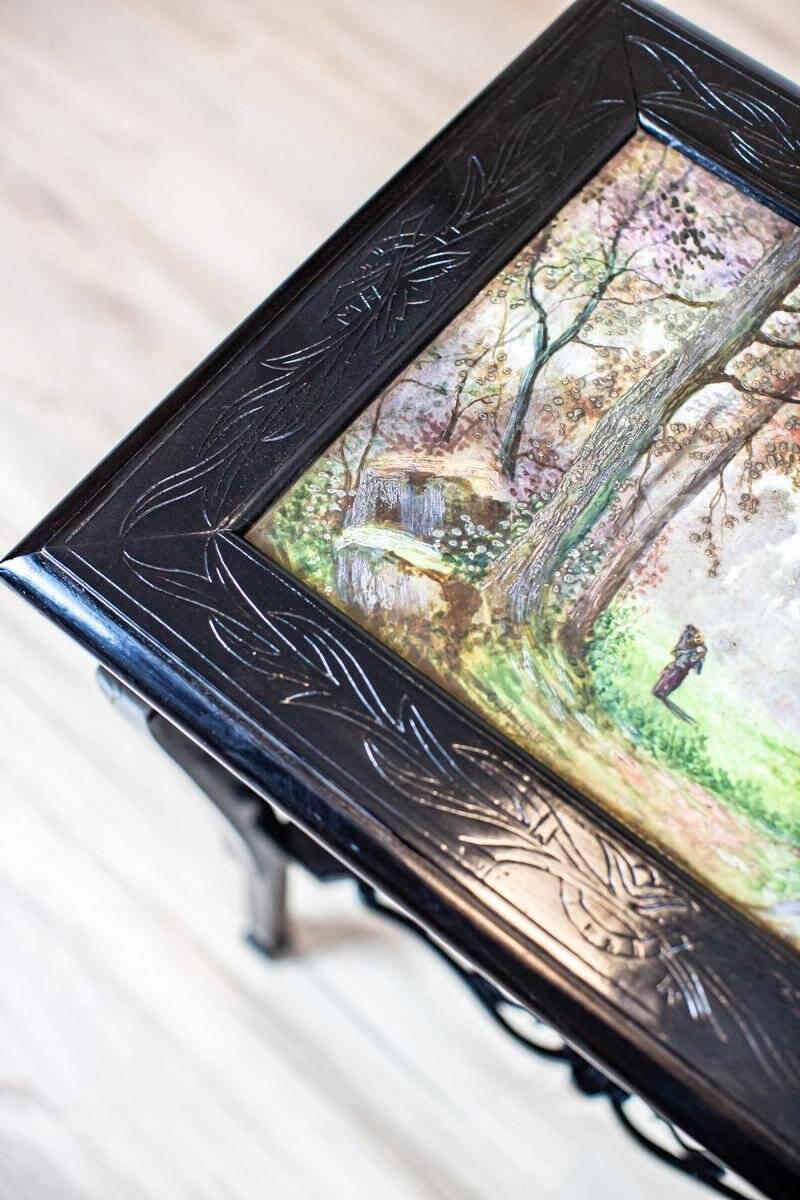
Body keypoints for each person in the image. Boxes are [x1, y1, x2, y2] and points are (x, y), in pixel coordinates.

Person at [653, 625, 706, 711]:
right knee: (668, 677)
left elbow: (695, 664)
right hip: (677, 666)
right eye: (696, 637)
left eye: (699, 639)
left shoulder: (697, 650)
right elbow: (678, 651)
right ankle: (658, 690)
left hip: (683, 670)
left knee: (674, 682)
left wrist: (700, 655)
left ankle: (663, 693)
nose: (696, 640)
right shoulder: (686, 644)